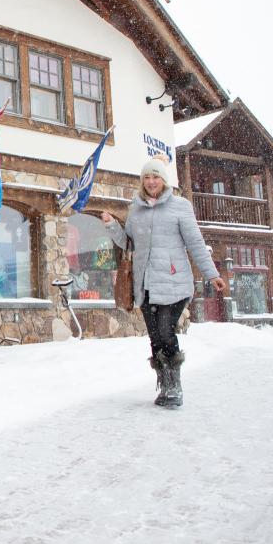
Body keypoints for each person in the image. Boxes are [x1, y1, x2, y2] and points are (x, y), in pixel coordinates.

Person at [102, 154, 225, 408]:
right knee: (155, 338)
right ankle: (164, 386)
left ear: (164, 180)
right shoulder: (135, 208)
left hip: (174, 282)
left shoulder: (180, 206)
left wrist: (212, 274)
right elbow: (128, 243)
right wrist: (112, 225)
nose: (150, 181)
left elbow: (195, 243)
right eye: (146, 177)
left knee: (166, 332)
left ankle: (174, 387)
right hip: (146, 285)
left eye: (155, 176)